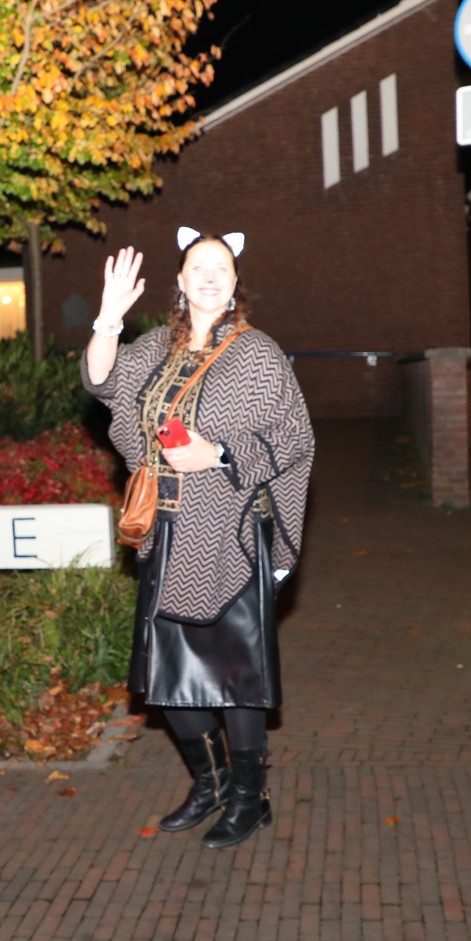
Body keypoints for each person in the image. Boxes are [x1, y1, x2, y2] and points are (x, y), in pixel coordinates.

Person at [83, 228, 315, 849]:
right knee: (168, 677)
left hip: (229, 534)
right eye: (198, 267)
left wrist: (218, 454)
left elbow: (295, 437)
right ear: (181, 283)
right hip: (166, 531)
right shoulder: (157, 346)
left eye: (222, 268)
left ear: (235, 284)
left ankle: (250, 799)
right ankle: (210, 782)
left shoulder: (257, 353)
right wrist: (108, 319)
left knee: (235, 676)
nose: (210, 276)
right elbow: (103, 384)